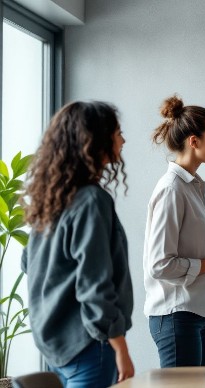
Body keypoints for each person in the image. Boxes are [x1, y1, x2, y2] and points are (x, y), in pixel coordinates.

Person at [22, 101, 134, 387]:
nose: (122, 140)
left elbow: (28, 263)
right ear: (95, 141)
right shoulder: (92, 201)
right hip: (90, 346)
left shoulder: (51, 200)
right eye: (117, 132)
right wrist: (119, 345)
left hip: (57, 347)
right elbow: (94, 283)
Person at [144, 95, 205, 367]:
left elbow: (187, 252)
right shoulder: (171, 190)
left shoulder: (191, 187)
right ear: (194, 141)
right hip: (177, 315)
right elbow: (160, 265)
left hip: (198, 314)